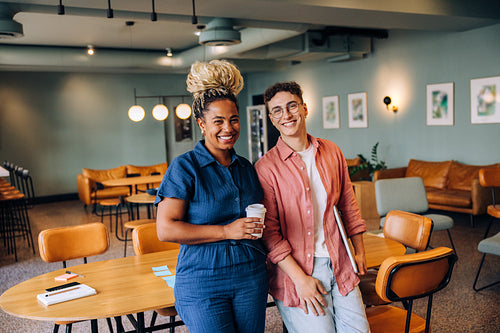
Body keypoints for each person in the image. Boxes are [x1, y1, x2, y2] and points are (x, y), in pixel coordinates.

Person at [155, 60, 269, 333]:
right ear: (201, 124)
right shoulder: (185, 167)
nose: (227, 128)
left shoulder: (247, 168)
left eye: (233, 119)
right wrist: (227, 231)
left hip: (250, 275)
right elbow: (165, 228)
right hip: (201, 279)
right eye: (218, 121)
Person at [255, 81, 370, 333]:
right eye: (277, 110)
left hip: (340, 262)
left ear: (304, 109)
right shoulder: (266, 168)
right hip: (298, 270)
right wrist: (301, 280)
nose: (286, 115)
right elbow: (270, 233)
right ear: (273, 120)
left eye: (292, 106)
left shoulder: (332, 152)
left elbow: (349, 205)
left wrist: (358, 252)